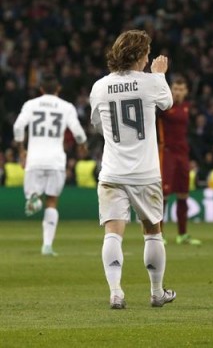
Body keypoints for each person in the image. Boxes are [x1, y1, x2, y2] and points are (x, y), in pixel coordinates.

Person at [90, 29, 176, 309]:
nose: (149, 58)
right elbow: (168, 102)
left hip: (112, 171)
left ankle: (116, 291)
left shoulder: (100, 87)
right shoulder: (151, 82)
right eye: (147, 54)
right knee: (152, 231)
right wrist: (160, 73)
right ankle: (156, 292)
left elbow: (98, 125)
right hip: (145, 172)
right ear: (140, 56)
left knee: (113, 233)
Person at [13, 73, 87, 256]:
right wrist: (82, 145)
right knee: (52, 201)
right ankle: (47, 246)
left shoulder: (31, 105)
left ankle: (34, 198)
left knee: (35, 195)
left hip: (35, 159)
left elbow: (17, 127)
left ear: (41, 89)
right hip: (56, 160)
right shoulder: (66, 107)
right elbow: (78, 132)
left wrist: (22, 151)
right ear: (58, 89)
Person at [158, 76, 200, 245]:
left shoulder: (188, 108)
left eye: (181, 89)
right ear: (170, 89)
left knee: (183, 194)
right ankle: (158, 234)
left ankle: (182, 234)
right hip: (166, 153)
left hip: (183, 155)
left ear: (186, 91)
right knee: (163, 195)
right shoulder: (163, 107)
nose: (177, 93)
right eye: (175, 89)